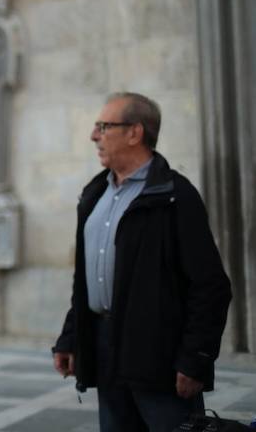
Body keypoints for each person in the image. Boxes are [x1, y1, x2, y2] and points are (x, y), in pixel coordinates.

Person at [52, 92, 232, 432]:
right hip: (105, 351)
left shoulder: (175, 196)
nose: (94, 135)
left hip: (158, 357)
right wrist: (70, 338)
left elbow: (210, 287)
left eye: (104, 126)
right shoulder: (94, 194)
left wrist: (195, 360)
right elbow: (85, 280)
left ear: (135, 133)